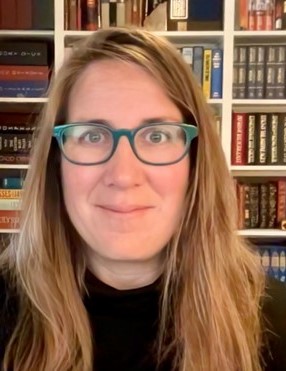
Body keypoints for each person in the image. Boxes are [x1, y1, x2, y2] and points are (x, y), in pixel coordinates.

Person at [0, 27, 286, 371]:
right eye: (92, 135)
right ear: (55, 163)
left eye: (156, 135)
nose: (123, 175)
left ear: (195, 163)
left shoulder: (275, 326)